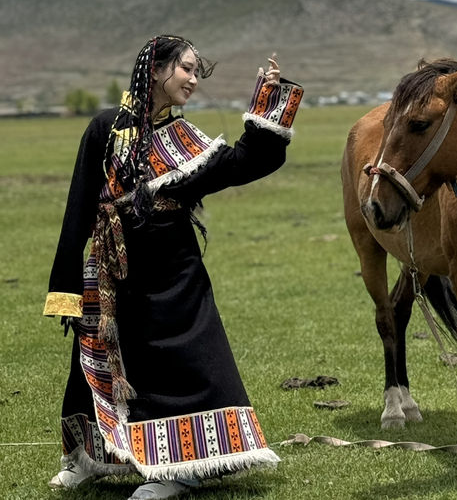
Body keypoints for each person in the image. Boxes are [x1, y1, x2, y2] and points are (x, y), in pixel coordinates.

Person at [43, 36, 303, 499]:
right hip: (109, 274)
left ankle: (179, 470)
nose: (194, 80)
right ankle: (86, 458)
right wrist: (64, 289)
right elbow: (79, 208)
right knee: (92, 364)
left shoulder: (187, 141)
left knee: (179, 368)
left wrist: (267, 98)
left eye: (196, 71)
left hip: (174, 279)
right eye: (186, 69)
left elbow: (246, 161)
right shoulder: (104, 129)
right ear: (157, 69)